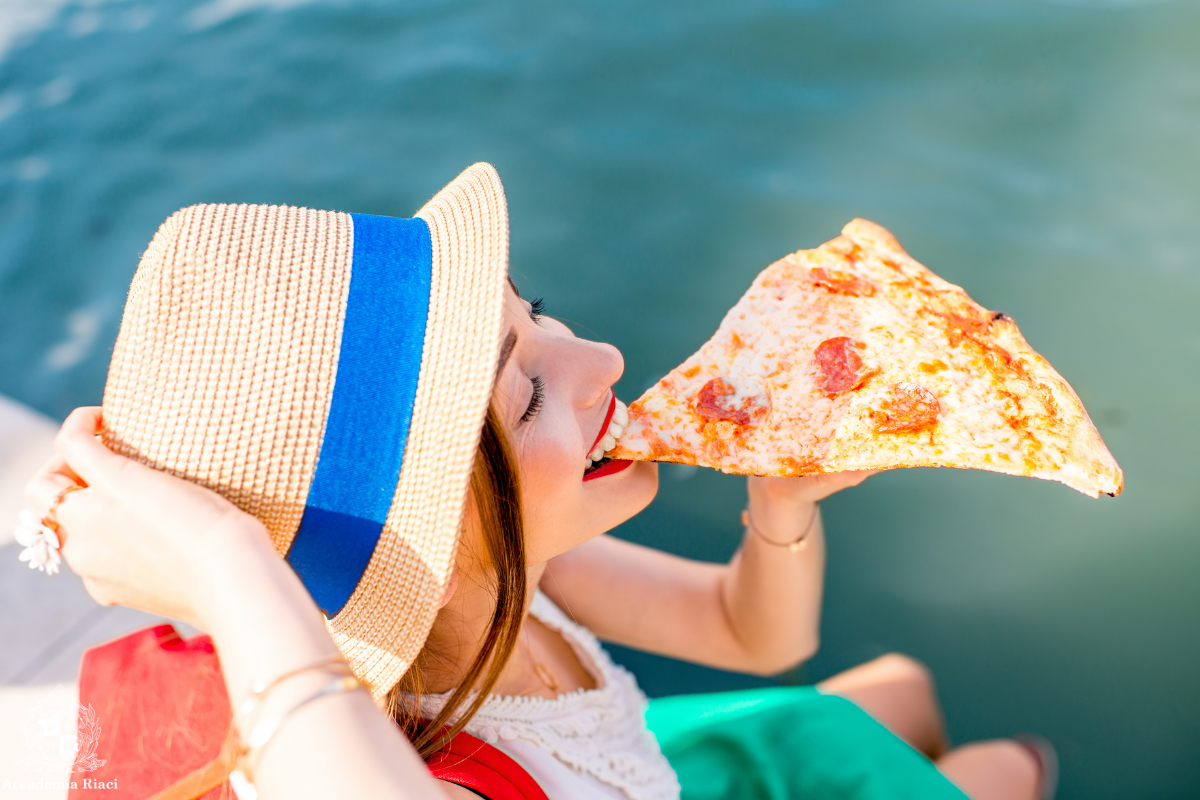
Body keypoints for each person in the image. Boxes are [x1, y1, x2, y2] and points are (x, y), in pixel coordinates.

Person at [24, 163, 1052, 800]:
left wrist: (779, 506)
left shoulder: (524, 567)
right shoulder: (429, 775)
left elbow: (758, 636)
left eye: (539, 314)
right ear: (429, 533)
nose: (601, 357)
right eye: (526, 394)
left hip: (635, 760)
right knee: (1012, 766)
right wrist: (220, 554)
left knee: (905, 687)